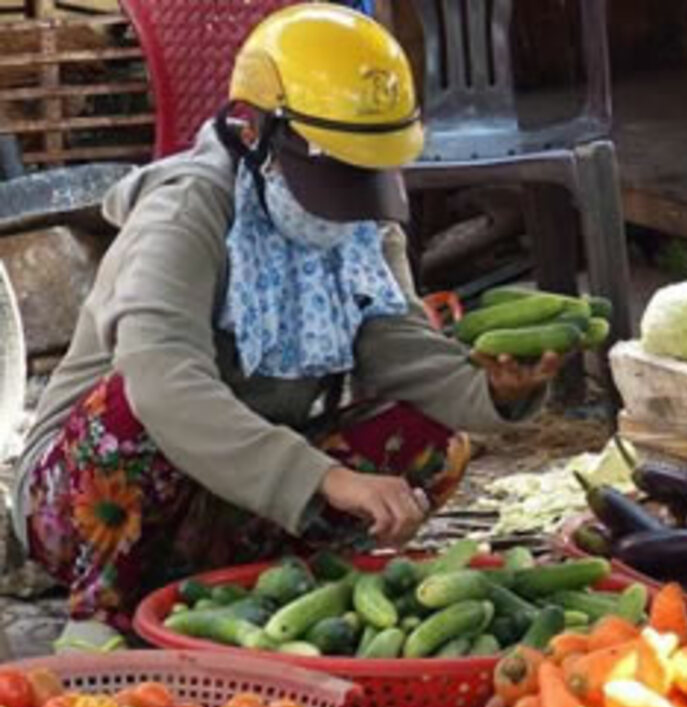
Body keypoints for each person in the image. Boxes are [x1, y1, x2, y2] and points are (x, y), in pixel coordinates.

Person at [11, 4, 565, 631]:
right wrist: (325, 478)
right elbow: (164, 382)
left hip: (236, 496)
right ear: (264, 133)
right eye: (332, 172)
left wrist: (493, 389)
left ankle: (265, 596)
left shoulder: (361, 218)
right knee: (134, 408)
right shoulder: (187, 210)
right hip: (91, 506)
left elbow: (395, 343)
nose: (347, 202)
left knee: (435, 438)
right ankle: (104, 618)